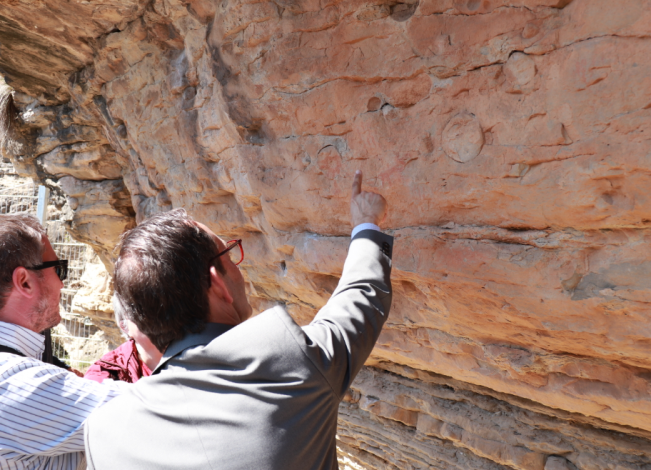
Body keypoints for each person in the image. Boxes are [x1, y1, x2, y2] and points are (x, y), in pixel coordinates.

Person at [85, 170, 392, 470]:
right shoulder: (289, 361)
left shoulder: (104, 434)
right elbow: (359, 299)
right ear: (218, 283)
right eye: (230, 256)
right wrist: (366, 224)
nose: (238, 268)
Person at [0, 214, 127, 470]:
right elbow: (152, 408)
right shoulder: (14, 381)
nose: (62, 282)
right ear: (24, 281)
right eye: (58, 269)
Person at [84, 294, 161, 383]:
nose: (154, 316)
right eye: (138, 310)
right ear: (125, 327)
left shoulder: (180, 357)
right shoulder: (105, 373)